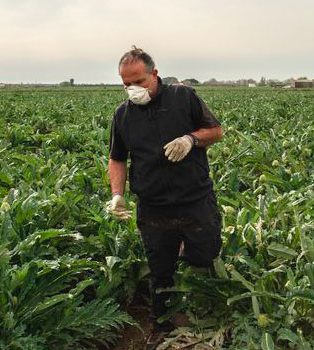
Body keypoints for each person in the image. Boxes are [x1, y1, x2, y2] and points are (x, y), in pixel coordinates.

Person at [105, 46, 224, 349]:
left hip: (195, 198)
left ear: (155, 75)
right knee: (160, 271)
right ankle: (161, 323)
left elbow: (215, 130)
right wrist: (117, 194)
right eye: (126, 84)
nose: (133, 90)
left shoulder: (184, 97)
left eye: (140, 82)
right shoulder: (123, 115)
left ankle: (208, 306)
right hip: (153, 206)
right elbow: (117, 158)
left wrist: (191, 139)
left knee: (205, 255)